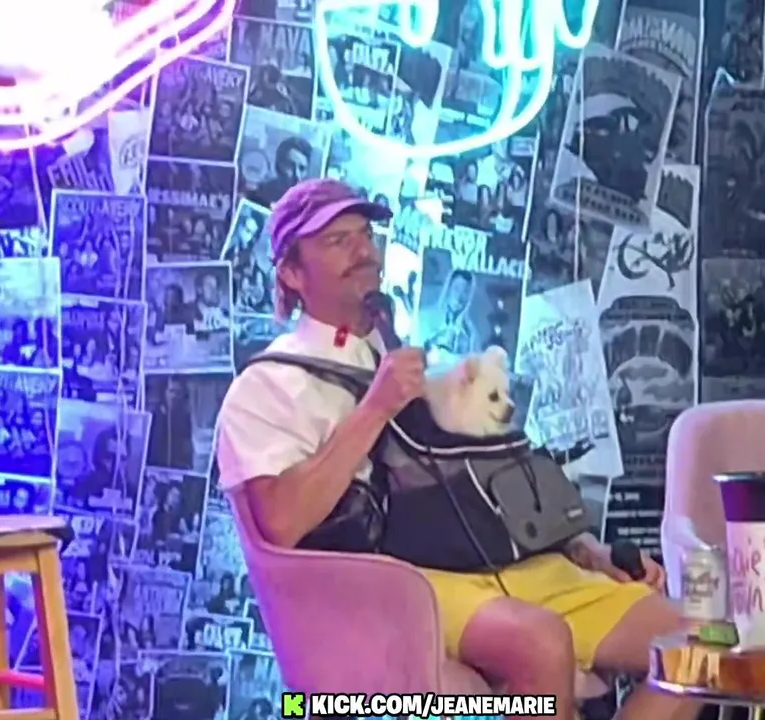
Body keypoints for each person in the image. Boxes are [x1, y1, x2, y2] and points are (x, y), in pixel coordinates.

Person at [215, 178, 700, 720]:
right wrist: (376, 407)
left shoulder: (398, 353)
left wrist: (582, 547)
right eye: (337, 240)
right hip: (397, 585)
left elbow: (477, 475)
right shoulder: (268, 387)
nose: (364, 251)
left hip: (493, 561)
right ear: (290, 272)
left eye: (366, 234)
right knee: (541, 642)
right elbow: (279, 523)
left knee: (699, 643)